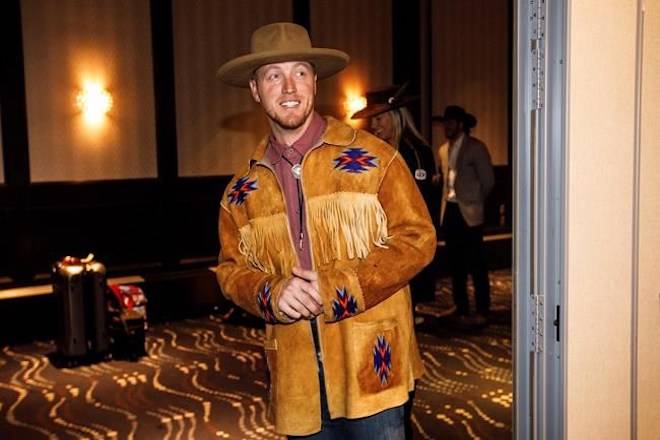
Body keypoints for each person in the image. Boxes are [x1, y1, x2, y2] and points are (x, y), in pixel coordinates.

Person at [215, 22, 436, 439]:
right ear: (255, 90)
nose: (289, 87)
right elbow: (230, 271)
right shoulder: (242, 191)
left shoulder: (375, 158)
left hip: (373, 368)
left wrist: (342, 285)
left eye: (299, 72)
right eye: (273, 76)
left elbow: (418, 239)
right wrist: (270, 292)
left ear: (315, 82)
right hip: (295, 376)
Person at [352, 84, 439, 313]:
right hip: (381, 239)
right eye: (372, 120)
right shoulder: (379, 150)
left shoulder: (414, 151)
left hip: (404, 242)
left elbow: (420, 207)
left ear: (395, 116)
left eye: (379, 119)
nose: (373, 126)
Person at [434, 105, 494, 327]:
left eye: (450, 122)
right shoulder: (442, 150)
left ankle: (482, 310)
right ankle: (461, 307)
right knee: (455, 263)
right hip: (449, 211)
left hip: (469, 212)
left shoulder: (476, 148)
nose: (446, 127)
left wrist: (474, 201)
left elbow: (488, 181)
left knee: (477, 264)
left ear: (461, 124)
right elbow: (447, 178)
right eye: (445, 122)